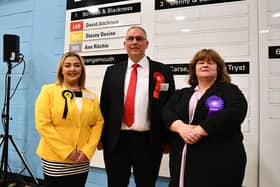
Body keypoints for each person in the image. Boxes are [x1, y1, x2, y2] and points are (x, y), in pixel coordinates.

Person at [98, 26, 175, 187]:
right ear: (124, 44)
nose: (134, 42)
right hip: (116, 141)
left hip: (149, 141)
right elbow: (104, 106)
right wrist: (101, 138)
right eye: (130, 39)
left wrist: (168, 140)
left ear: (146, 44)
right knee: (115, 183)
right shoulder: (112, 71)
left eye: (139, 39)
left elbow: (169, 107)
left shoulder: (163, 71)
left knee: (146, 184)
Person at [162, 49, 247, 187]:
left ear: (218, 68)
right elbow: (166, 112)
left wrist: (200, 130)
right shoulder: (182, 94)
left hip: (221, 159)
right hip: (183, 160)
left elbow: (235, 111)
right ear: (194, 69)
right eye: (200, 62)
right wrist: (181, 127)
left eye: (211, 63)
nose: (205, 65)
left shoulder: (230, 90)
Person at [35, 52, 104, 187]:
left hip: (81, 160)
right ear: (61, 70)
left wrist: (87, 150)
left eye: (77, 65)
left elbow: (98, 123)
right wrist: (67, 151)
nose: (72, 69)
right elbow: (43, 124)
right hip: (55, 159)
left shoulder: (91, 96)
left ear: (82, 70)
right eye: (68, 65)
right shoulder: (48, 91)